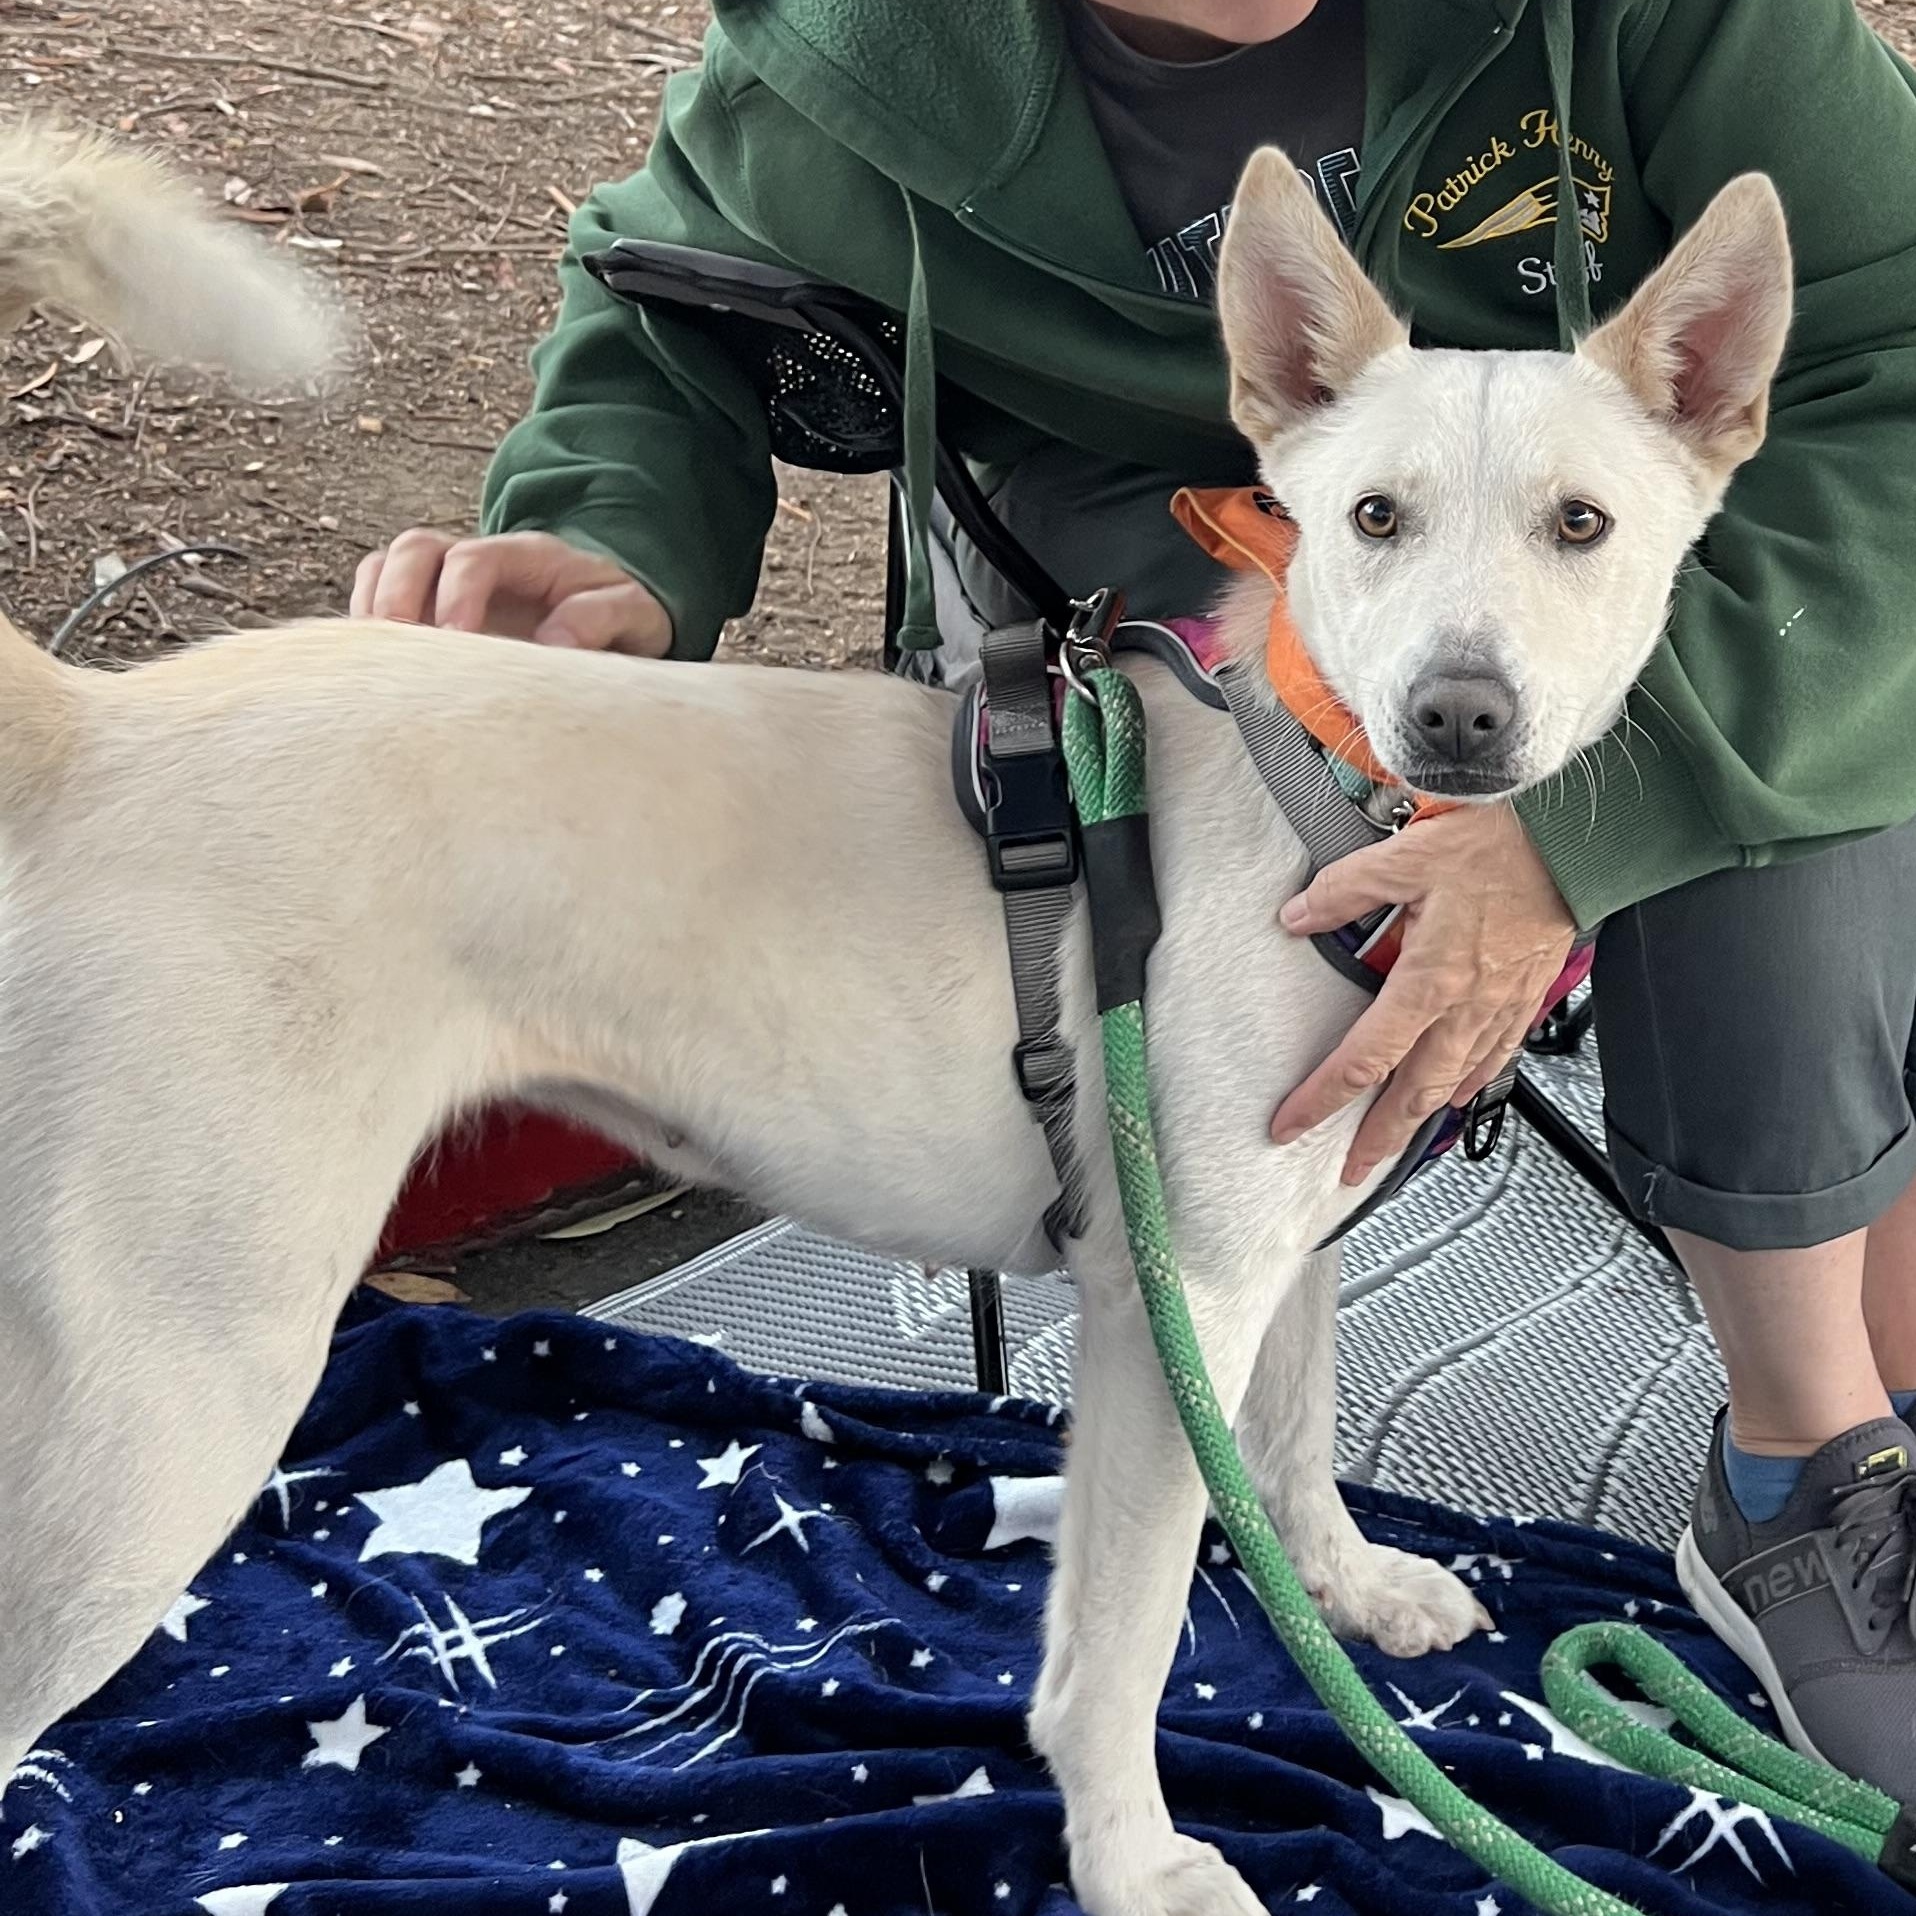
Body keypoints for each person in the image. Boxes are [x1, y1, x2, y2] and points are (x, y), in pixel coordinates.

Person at [355, 0, 1916, 1796]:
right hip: (1150, 552)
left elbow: (1902, 364)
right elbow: (665, 299)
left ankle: (1820, 1440)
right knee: (1240, 1020)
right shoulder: (862, 44)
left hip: (1644, 529)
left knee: (1806, 766)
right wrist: (612, 537)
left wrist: (1592, 826)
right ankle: (1697, 1460)